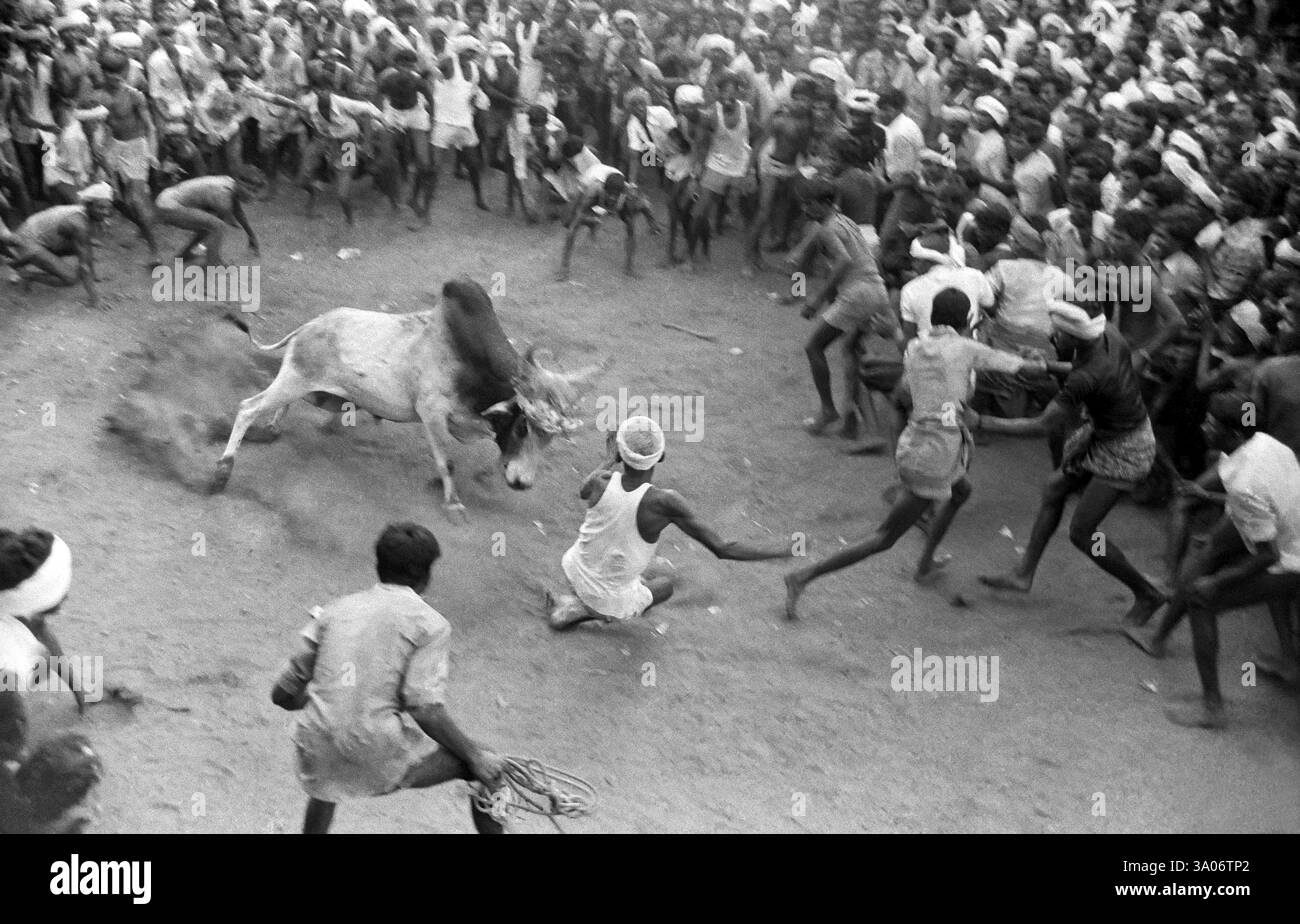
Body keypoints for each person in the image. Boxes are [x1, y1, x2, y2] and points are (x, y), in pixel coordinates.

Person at [784, 288, 1047, 618]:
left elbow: (906, 392)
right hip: (935, 455)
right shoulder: (968, 349)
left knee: (961, 491)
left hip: (918, 443)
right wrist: (1037, 360)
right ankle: (803, 576)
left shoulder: (915, 348)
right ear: (967, 319)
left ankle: (925, 564)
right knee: (883, 537)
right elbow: (1027, 370)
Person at [271, 522, 506, 834]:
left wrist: (327, 697)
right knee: (488, 766)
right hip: (371, 753)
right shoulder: (431, 624)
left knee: (328, 779)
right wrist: (476, 756)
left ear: (379, 565)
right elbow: (425, 709)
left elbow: (283, 695)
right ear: (424, 576)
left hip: (316, 751)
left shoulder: (335, 610)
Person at [976, 302, 1167, 627]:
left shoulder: (1087, 375)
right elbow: (1083, 368)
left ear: (1076, 336)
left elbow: (1042, 425)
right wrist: (1047, 366)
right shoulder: (1108, 334)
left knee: (1083, 533)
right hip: (1108, 432)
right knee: (1054, 488)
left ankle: (1147, 593)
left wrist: (981, 421)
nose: (1053, 336)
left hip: (1126, 450)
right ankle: (1023, 574)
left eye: (1059, 333)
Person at [1126, 399, 1300, 728]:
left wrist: (1218, 582)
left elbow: (1268, 555)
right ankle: (1157, 639)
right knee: (1210, 548)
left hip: (1290, 555)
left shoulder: (1247, 485)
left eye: (1211, 424)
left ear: (1233, 434)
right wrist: (1206, 495)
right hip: (1284, 527)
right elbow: (1250, 496)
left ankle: (1213, 708)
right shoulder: (1265, 443)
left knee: (1202, 599)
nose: (1203, 427)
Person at [547, 417, 793, 630]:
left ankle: (589, 599)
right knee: (664, 587)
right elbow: (722, 548)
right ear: (661, 456)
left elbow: (583, 490)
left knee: (627, 562)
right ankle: (586, 610)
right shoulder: (665, 502)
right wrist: (779, 550)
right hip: (607, 599)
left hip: (574, 569)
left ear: (621, 455)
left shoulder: (601, 480)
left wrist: (610, 459)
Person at [784, 177, 892, 439]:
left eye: (809, 204)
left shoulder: (827, 228)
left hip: (858, 293)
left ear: (824, 203)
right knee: (851, 353)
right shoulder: (846, 222)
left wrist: (816, 299)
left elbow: (842, 261)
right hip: (876, 290)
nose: (805, 209)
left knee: (814, 347)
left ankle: (828, 410)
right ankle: (852, 422)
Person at [1, 183, 114, 310]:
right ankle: (28, 275)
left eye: (108, 208)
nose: (106, 212)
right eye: (101, 208)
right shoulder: (79, 224)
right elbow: (84, 265)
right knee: (71, 278)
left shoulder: (84, 213)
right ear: (89, 205)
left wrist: (93, 275)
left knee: (85, 245)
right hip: (25, 243)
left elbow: (86, 247)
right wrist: (95, 299)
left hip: (36, 238)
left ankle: (31, 265)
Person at [556, 163, 661, 281]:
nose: (612, 198)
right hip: (593, 174)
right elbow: (575, 223)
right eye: (609, 194)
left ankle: (652, 228)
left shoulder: (628, 195)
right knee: (569, 221)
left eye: (615, 196)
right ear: (604, 190)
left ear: (622, 194)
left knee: (639, 210)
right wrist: (564, 267)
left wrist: (630, 267)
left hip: (616, 183)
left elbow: (632, 230)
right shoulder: (592, 190)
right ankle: (591, 223)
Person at [153, 175, 259, 266]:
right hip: (168, 206)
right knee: (218, 226)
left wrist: (251, 236)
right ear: (240, 183)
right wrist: (204, 247)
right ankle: (213, 263)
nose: (252, 195)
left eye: (254, 191)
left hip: (165, 201)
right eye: (249, 189)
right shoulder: (223, 192)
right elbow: (224, 219)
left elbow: (238, 212)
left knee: (209, 226)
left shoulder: (230, 183)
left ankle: (185, 255)